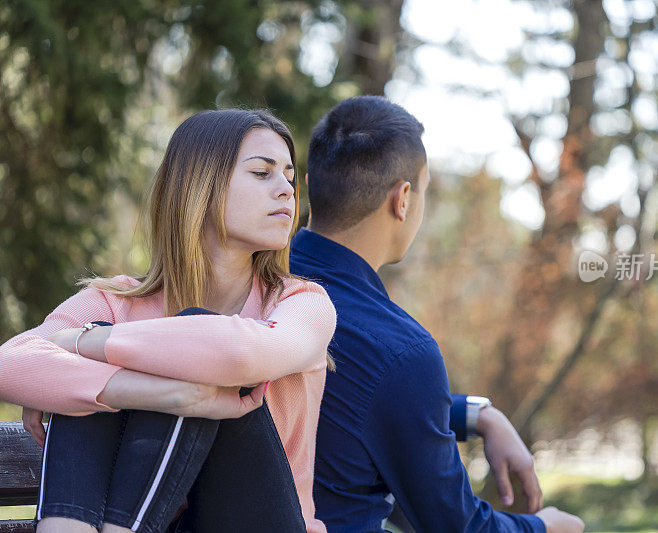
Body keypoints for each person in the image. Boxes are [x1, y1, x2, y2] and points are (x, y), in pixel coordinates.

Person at [0, 109, 335, 533]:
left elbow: (238, 351)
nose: (286, 190)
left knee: (197, 351)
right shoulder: (116, 300)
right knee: (95, 384)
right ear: (200, 184)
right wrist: (163, 395)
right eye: (262, 173)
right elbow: (9, 362)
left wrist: (83, 343)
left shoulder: (302, 303)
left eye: (288, 175)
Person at [290, 95, 584, 532]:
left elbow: (357, 401)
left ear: (311, 183)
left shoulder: (257, 280)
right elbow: (457, 526)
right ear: (403, 199)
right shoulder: (397, 348)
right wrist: (545, 527)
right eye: (425, 189)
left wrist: (476, 414)